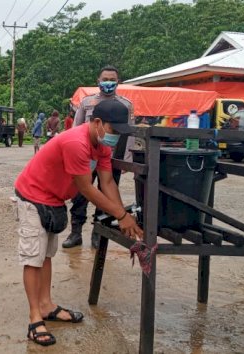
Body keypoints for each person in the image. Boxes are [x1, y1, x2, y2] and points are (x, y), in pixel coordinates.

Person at [14, 99, 144, 346]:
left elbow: (107, 183)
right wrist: (121, 216)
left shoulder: (102, 146)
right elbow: (87, 188)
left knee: (47, 255)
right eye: (113, 130)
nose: (115, 137)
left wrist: (123, 216)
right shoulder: (77, 142)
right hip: (32, 195)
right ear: (97, 123)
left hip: (54, 199)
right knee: (33, 258)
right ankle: (34, 319)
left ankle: (47, 305)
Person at [64, 66, 135, 249]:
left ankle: (98, 232)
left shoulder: (125, 105)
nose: (108, 82)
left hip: (112, 158)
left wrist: (127, 159)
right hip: (88, 156)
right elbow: (77, 127)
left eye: (112, 79)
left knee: (107, 195)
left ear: (118, 81)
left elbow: (130, 134)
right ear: (98, 80)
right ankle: (75, 232)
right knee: (80, 194)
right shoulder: (87, 102)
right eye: (105, 79)